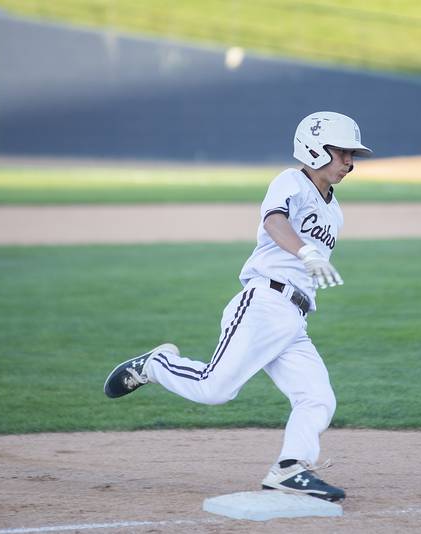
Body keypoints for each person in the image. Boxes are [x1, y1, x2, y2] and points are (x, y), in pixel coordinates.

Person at [103, 111, 372, 502]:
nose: (350, 162)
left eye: (353, 155)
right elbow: (274, 222)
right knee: (215, 389)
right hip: (263, 302)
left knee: (317, 397)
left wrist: (308, 259)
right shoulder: (290, 182)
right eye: (343, 152)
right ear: (315, 149)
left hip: (294, 320)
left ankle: (290, 468)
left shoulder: (335, 210)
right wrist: (306, 251)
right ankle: (155, 365)